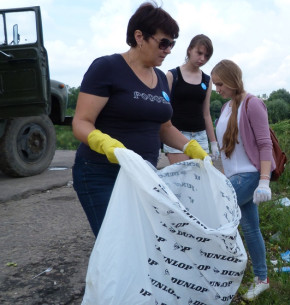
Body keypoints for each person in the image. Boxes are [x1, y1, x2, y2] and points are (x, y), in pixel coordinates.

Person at [72, 2, 208, 237]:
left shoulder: (161, 78)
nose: (168, 50)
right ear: (139, 36)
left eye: (172, 44)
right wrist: (103, 143)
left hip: (143, 176)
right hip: (101, 173)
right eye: (163, 42)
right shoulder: (107, 67)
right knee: (116, 244)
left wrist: (189, 146)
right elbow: (81, 121)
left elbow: (164, 127)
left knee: (142, 243)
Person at [211, 59, 276, 301]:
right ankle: (262, 280)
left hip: (249, 176)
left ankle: (214, 273)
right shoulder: (226, 107)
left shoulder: (253, 104)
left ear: (232, 80)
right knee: (250, 228)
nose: (217, 89)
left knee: (213, 215)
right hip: (233, 176)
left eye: (220, 84)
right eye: (215, 84)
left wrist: (264, 181)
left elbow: (264, 143)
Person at [164, 34, 219, 164]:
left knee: (199, 179)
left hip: (200, 136)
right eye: (199, 53)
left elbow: (206, 113)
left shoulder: (207, 80)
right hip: (176, 134)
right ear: (190, 50)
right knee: (182, 179)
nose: (202, 59)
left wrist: (213, 142)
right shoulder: (172, 75)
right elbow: (163, 110)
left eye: (206, 56)